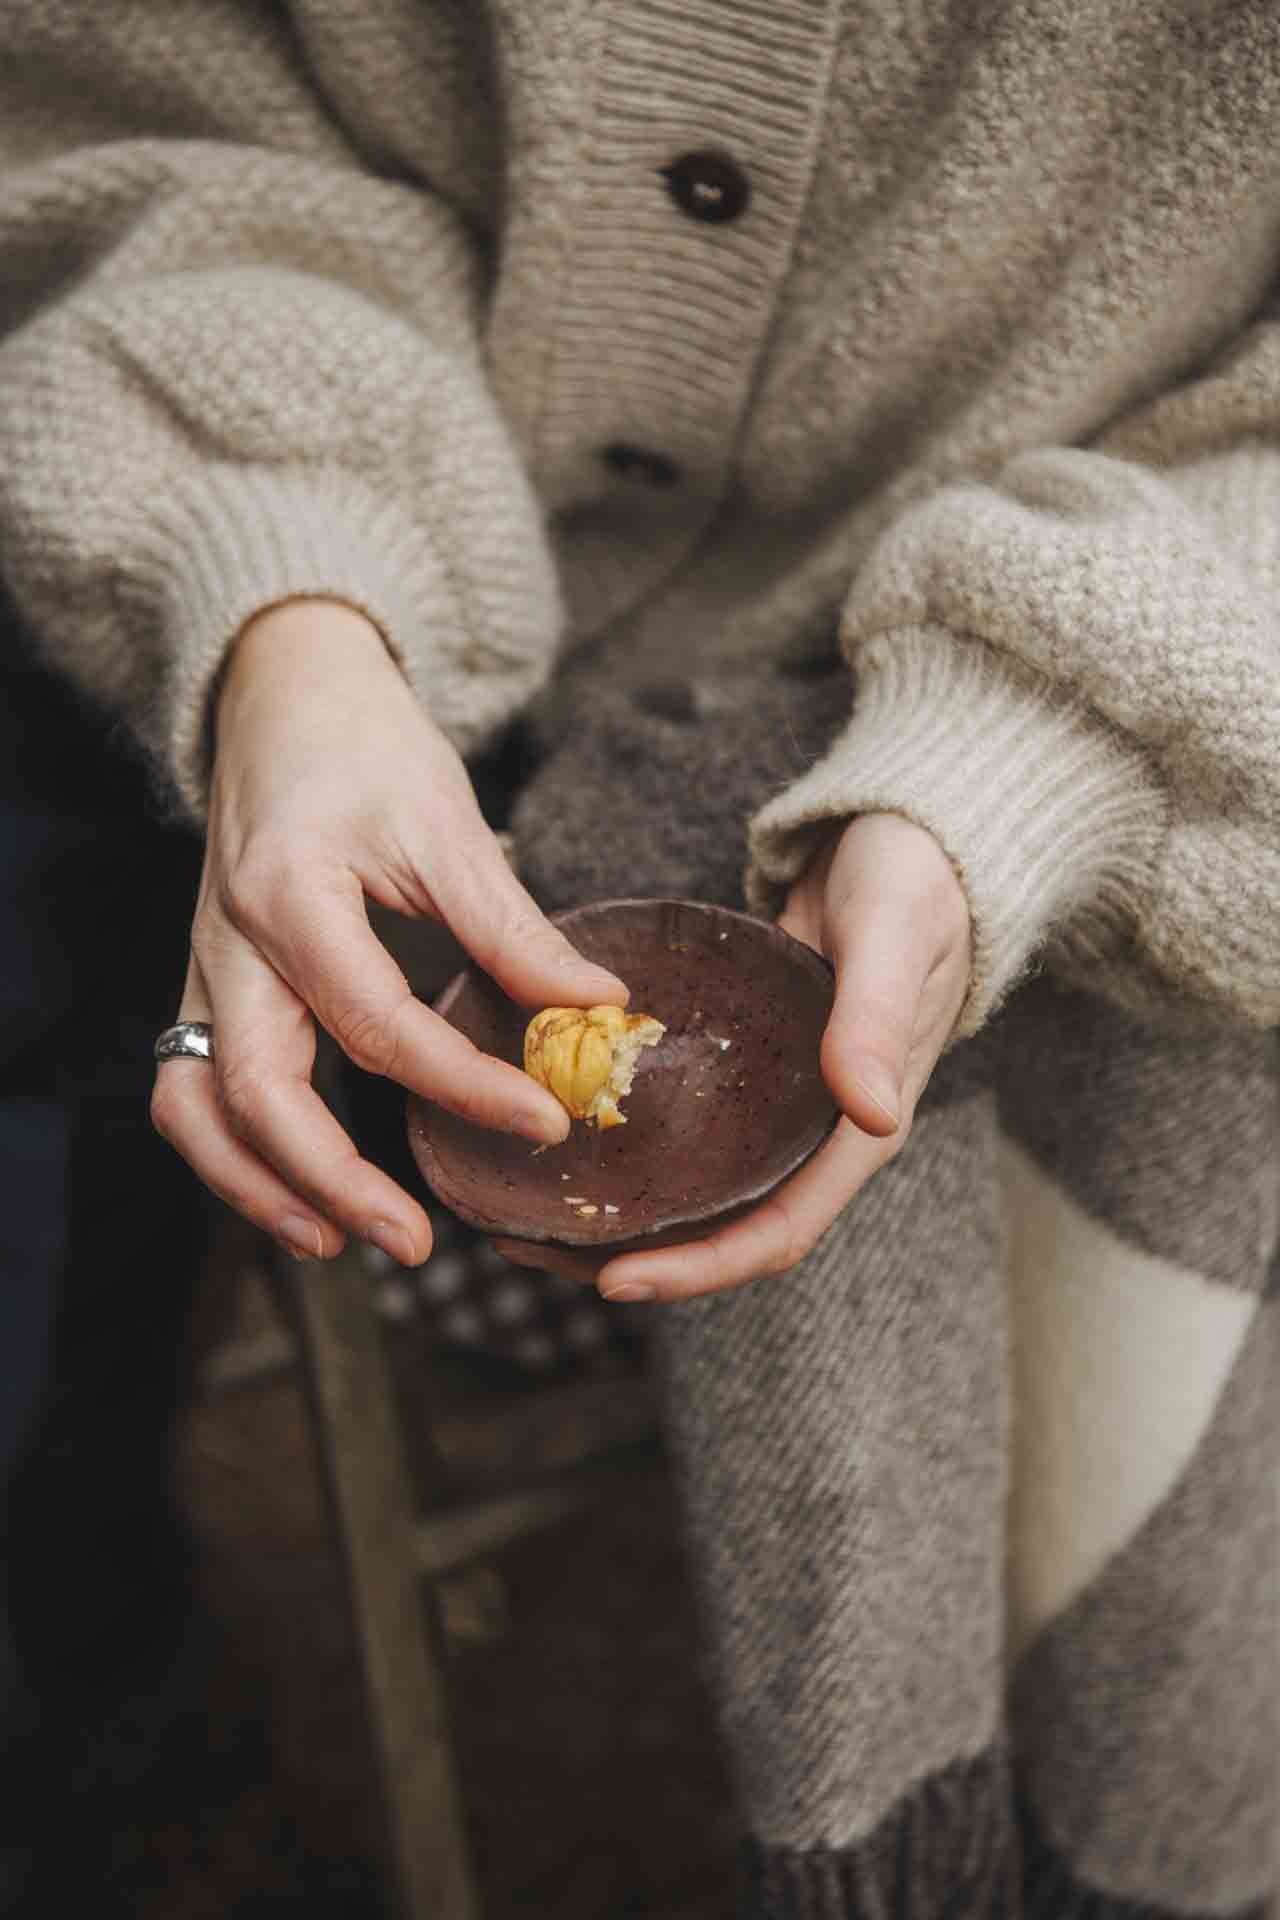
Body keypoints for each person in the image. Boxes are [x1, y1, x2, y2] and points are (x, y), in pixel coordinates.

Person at [2, 4, 1277, 1915]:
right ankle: (89, 1685)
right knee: (92, 1153)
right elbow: (122, 104)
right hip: (312, 634)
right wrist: (283, 594)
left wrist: (1031, 750)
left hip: (1175, 669)